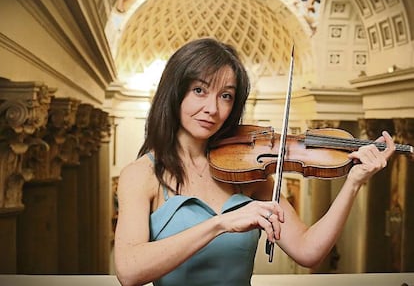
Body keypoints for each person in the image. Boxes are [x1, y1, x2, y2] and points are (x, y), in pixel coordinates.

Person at [114, 38, 395, 286]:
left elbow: (308, 252)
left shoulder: (247, 171)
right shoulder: (141, 175)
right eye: (199, 90)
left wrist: (354, 183)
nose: (212, 108)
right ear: (175, 92)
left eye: (226, 96)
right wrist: (220, 224)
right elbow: (129, 272)